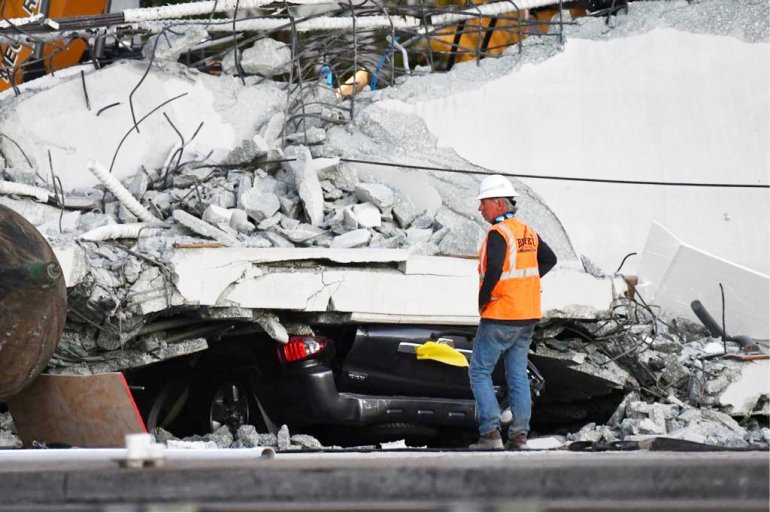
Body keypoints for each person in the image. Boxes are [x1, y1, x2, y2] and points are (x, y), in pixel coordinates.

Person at [469, 174, 557, 450]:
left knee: (479, 372)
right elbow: (549, 259)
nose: (480, 208)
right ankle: (519, 436)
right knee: (517, 373)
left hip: (501, 312)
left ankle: (490, 434)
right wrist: (524, 286)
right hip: (527, 313)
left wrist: (484, 300)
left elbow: (494, 270)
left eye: (483, 203)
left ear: (498, 203)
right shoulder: (526, 231)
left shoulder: (498, 234)